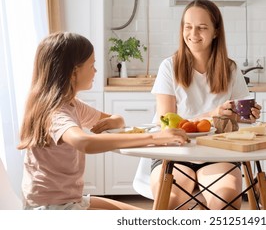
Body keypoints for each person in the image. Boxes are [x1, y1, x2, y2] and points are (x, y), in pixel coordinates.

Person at [17, 32, 188, 210]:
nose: (96, 71)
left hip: (71, 200)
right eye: (92, 65)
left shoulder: (71, 104)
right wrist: (155, 138)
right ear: (73, 72)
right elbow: (84, 142)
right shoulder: (54, 112)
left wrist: (117, 121)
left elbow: (114, 119)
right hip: (52, 209)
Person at [149, 0, 261, 210]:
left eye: (202, 27)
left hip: (218, 152)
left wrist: (247, 115)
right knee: (171, 200)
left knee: (225, 201)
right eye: (188, 27)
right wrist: (213, 114)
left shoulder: (230, 69)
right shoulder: (169, 67)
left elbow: (237, 115)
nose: (193, 33)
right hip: (174, 152)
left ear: (216, 32)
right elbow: (167, 124)